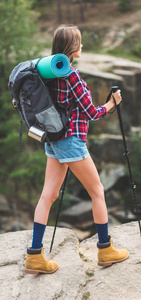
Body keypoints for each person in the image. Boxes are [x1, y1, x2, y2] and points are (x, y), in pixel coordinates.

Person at [24, 24, 129, 275]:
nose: (82, 46)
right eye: (79, 43)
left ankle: (35, 256)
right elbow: (92, 113)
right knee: (98, 192)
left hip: (53, 141)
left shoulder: (46, 72)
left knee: (47, 196)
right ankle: (105, 250)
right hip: (71, 141)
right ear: (71, 48)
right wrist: (111, 104)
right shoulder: (72, 76)